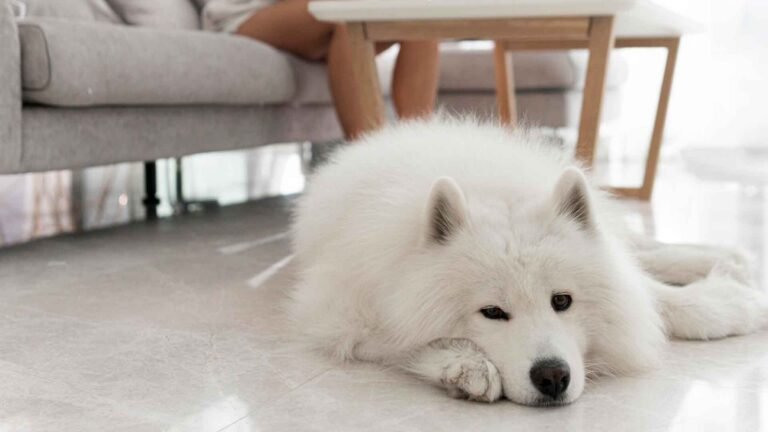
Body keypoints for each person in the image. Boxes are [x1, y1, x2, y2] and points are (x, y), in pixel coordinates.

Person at [202, 0, 440, 139]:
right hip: (241, 13)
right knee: (350, 15)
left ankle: (420, 147)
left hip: (311, 17)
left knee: (419, 16)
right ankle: (369, 156)